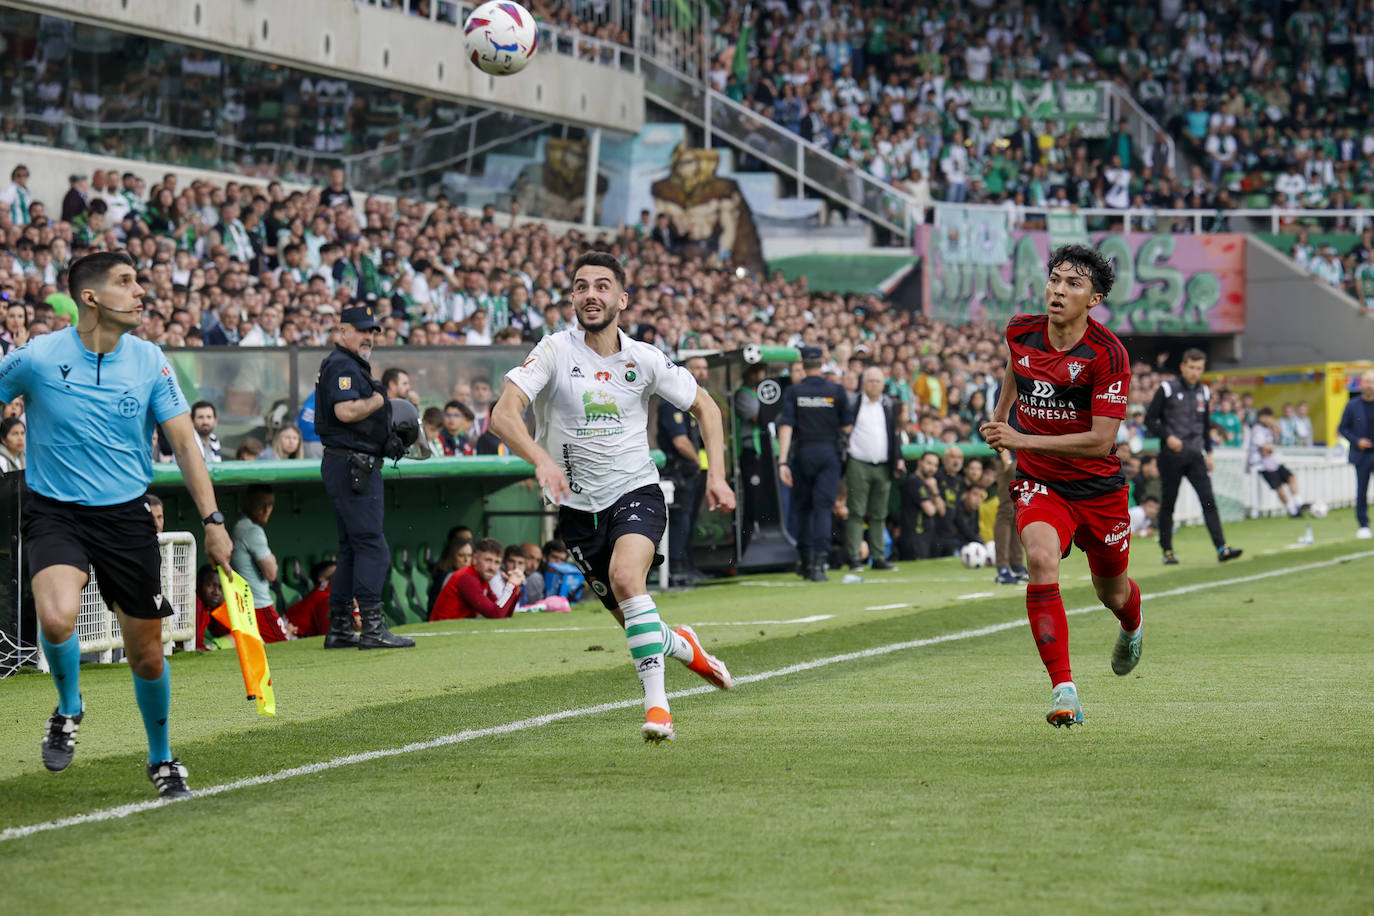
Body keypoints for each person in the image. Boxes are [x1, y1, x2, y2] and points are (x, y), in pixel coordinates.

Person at [0, 250, 233, 798]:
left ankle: (161, 758)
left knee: (146, 653)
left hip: (126, 518)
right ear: (90, 297)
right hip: (53, 510)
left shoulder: (150, 359)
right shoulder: (36, 357)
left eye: (138, 281)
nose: (140, 291)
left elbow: (184, 444)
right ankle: (69, 705)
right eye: (126, 282)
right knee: (56, 619)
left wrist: (213, 520)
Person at [490, 250, 736, 743]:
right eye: (581, 286)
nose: (591, 294)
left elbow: (707, 409)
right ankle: (685, 647)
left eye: (602, 286)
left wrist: (717, 476)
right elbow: (503, 415)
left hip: (635, 491)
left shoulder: (643, 358)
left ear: (622, 299)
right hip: (578, 510)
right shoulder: (555, 350)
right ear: (572, 298)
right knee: (632, 618)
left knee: (628, 578)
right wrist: (541, 459)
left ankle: (658, 709)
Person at [980, 244, 1145, 729]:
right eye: (1055, 279)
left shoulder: (1108, 353)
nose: (1058, 289)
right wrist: (1000, 415)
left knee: (1111, 591)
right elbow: (1017, 365)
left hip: (1099, 490)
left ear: (1093, 300)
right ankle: (1064, 688)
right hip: (1039, 481)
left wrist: (1018, 435)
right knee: (1040, 559)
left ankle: (1132, 625)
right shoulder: (1020, 329)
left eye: (1073, 284)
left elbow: (1100, 441)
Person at [314, 302, 414, 650]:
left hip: (348, 463)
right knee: (372, 546)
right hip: (353, 466)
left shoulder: (347, 363)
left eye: (373, 330)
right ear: (342, 331)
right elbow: (345, 411)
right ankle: (371, 628)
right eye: (361, 329)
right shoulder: (342, 364)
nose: (369, 336)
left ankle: (340, 628)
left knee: (352, 549)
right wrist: (378, 399)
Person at [1143, 348, 1242, 565]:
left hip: (1196, 455)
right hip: (1171, 456)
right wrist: (1167, 436)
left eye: (1199, 368)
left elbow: (1205, 426)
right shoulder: (1167, 389)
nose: (1195, 372)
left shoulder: (1204, 393)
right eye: (1192, 367)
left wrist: (1210, 453)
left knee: (1209, 501)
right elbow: (1150, 420)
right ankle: (1167, 550)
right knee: (1169, 503)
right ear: (1183, 367)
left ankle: (1221, 548)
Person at [777, 347, 854, 581]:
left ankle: (806, 562)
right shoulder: (836, 390)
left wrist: (782, 461)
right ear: (821, 362)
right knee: (822, 508)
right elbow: (847, 427)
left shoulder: (794, 391)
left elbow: (786, 427)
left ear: (803, 362)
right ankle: (820, 563)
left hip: (803, 454)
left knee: (803, 509)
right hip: (828, 453)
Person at [843, 366, 902, 571]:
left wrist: (898, 459)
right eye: (871, 381)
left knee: (879, 513)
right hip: (858, 462)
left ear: (883, 385)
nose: (874, 384)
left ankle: (878, 557)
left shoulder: (887, 405)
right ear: (863, 383)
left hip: (883, 464)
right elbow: (843, 430)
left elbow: (894, 435)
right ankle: (854, 557)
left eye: (878, 381)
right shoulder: (853, 403)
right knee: (856, 512)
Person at [657, 355, 709, 585]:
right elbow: (680, 441)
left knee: (690, 518)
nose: (701, 372)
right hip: (678, 471)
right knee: (680, 519)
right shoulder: (673, 404)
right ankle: (676, 568)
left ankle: (687, 565)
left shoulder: (697, 401)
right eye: (696, 368)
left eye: (704, 368)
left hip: (693, 470)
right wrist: (697, 461)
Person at [230, 484, 291, 643]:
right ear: (248, 503)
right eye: (260, 504)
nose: (266, 510)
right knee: (283, 646)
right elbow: (271, 574)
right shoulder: (251, 530)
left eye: (270, 505)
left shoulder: (239, 526)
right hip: (257, 605)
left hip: (242, 604)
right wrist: (273, 561)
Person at [429, 537, 526, 619]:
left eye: (497, 562)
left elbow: (505, 612)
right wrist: (511, 585)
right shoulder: (467, 578)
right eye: (488, 560)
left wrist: (514, 588)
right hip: (441, 632)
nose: (492, 567)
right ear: (475, 559)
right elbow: (496, 613)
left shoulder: (482, 578)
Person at [1249, 407, 1307, 518]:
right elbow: (1264, 451)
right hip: (1262, 464)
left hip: (1272, 462)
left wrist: (1274, 436)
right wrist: (1271, 447)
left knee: (1291, 477)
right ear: (1263, 417)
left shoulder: (1268, 429)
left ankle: (1299, 503)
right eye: (1270, 417)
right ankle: (1292, 510)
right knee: (1279, 487)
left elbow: (1270, 446)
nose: (1272, 420)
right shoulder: (1257, 429)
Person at [1337, 370, 1374, 539]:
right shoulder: (1352, 405)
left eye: (1372, 382)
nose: (1370, 386)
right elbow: (1343, 428)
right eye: (1367, 382)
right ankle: (1363, 524)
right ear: (1361, 384)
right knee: (1361, 490)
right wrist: (1356, 441)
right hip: (1362, 454)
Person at [993, 450, 1029, 584]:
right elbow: (991, 429)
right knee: (1006, 511)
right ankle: (1003, 567)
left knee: (1017, 509)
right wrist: (1004, 454)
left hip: (1023, 457)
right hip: (1011, 457)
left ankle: (1016, 564)